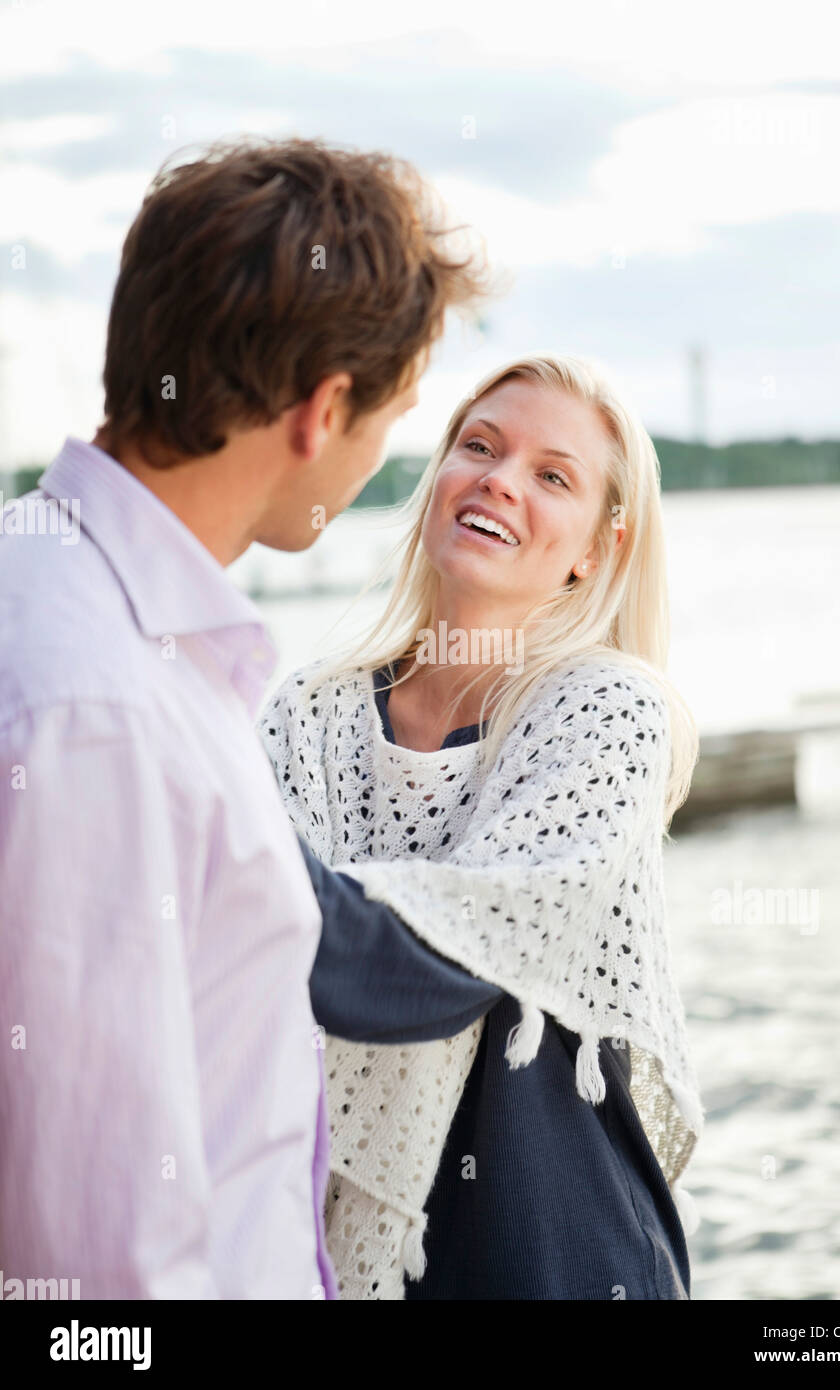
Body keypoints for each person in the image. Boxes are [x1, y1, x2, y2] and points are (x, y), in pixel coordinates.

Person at [0, 134, 489, 1298]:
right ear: (324, 412)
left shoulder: (84, 617)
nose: (383, 462)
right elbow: (94, 1266)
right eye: (393, 419)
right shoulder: (98, 711)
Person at [259, 353, 706, 1300]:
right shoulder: (307, 715)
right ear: (439, 480)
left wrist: (207, 868)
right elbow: (238, 990)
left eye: (552, 476)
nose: (499, 479)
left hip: (563, 1254)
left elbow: (465, 944)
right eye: (479, 446)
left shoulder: (609, 711)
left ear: (597, 547)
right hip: (329, 1251)